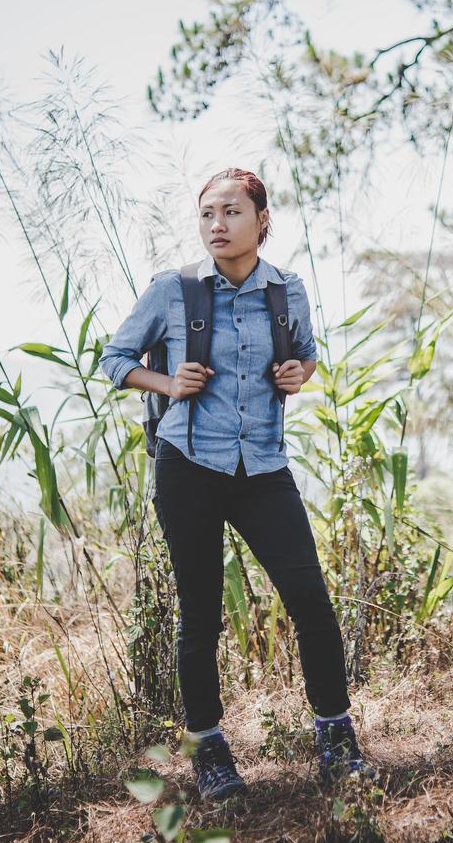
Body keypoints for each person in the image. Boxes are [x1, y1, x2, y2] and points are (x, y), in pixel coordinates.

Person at [99, 168, 371, 800]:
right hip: (188, 468)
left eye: (231, 213)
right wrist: (167, 385)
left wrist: (297, 373)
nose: (216, 225)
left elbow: (308, 353)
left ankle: (336, 737)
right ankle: (210, 750)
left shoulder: (287, 290)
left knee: (310, 601)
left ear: (262, 220)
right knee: (200, 615)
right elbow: (113, 359)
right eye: (206, 215)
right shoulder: (175, 289)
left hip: (264, 470)